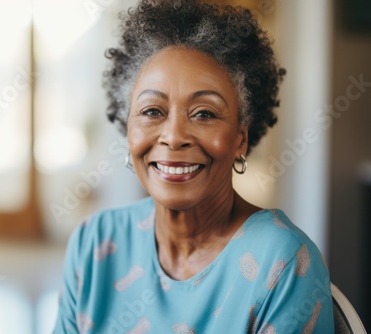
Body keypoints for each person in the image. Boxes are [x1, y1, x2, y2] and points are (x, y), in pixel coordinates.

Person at [54, 0, 334, 333]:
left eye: (205, 113)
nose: (173, 137)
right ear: (129, 129)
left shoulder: (282, 262)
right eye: (152, 111)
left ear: (240, 140)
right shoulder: (95, 243)